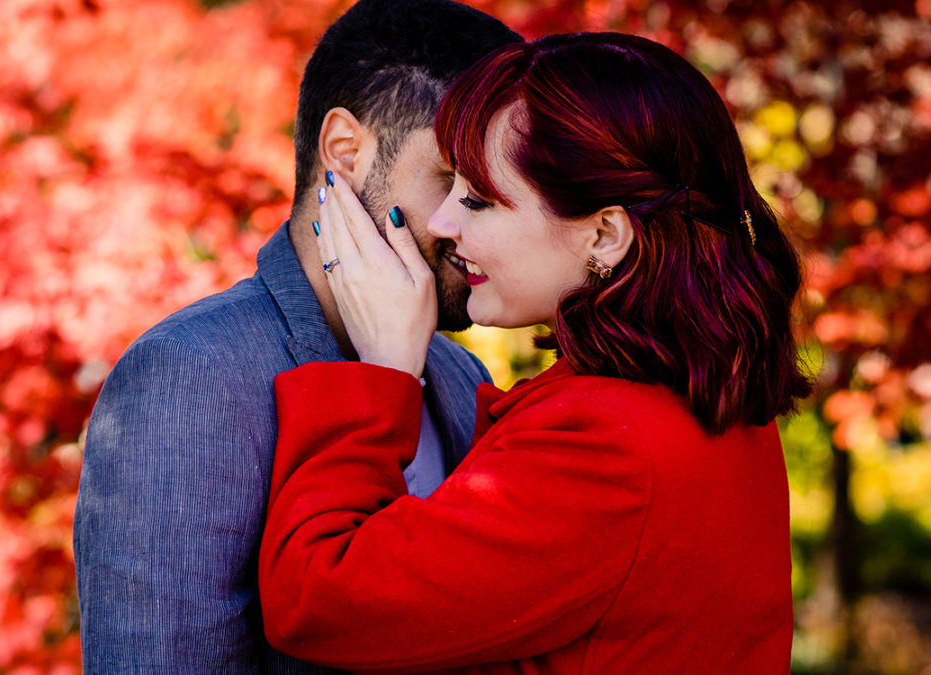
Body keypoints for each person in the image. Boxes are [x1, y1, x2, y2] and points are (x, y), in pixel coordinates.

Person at [259, 32, 814, 673]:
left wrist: (382, 374)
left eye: (479, 199)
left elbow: (316, 599)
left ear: (604, 234)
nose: (443, 224)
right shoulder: (695, 397)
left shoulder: (607, 449)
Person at [72, 1, 521, 672]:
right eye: (453, 181)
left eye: (492, 194)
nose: (472, 225)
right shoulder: (189, 377)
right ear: (344, 151)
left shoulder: (463, 378)